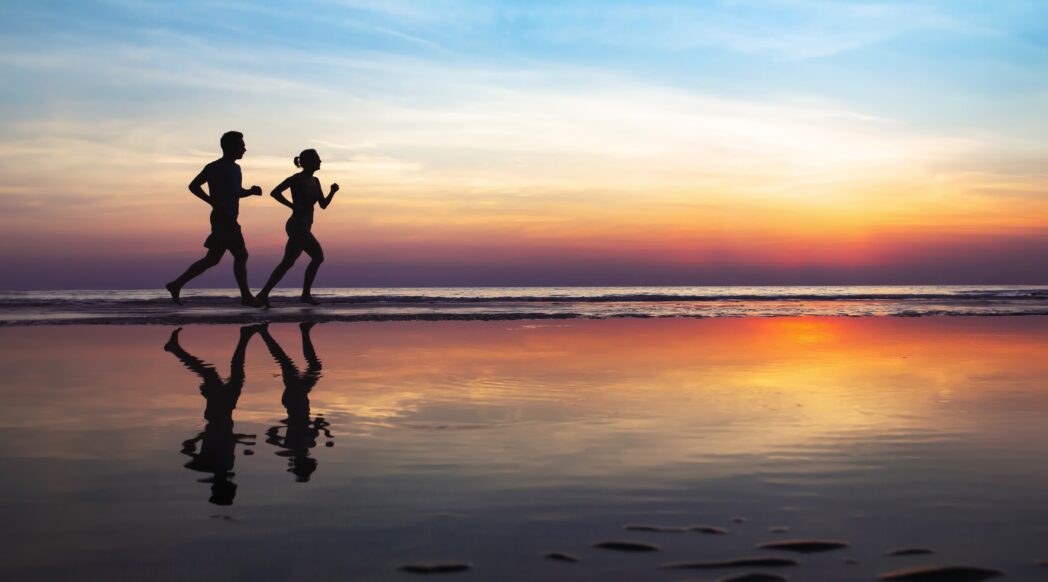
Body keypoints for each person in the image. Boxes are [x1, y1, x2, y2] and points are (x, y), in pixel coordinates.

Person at [165, 325, 261, 505]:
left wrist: (195, 448)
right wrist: (242, 439)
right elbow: (223, 439)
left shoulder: (214, 466)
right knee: (231, 373)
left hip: (220, 413)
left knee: (218, 373)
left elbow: (213, 439)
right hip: (222, 414)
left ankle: (175, 349)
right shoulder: (220, 466)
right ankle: (244, 336)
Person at [165, 131, 264, 306]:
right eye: (241, 146)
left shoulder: (236, 168)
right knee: (241, 254)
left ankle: (176, 284)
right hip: (222, 219)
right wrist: (212, 202)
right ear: (230, 147)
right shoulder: (214, 167)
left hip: (229, 218)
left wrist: (250, 191)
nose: (245, 149)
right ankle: (246, 296)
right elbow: (193, 186)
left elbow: (236, 192)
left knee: (212, 259)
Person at [256, 149, 339, 307]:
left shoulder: (315, 181)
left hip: (305, 227)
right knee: (318, 257)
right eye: (317, 159)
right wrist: (293, 206)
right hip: (296, 226)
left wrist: (332, 192)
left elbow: (323, 205)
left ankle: (263, 294)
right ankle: (305, 295)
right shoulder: (296, 179)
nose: (320, 162)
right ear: (308, 162)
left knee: (287, 263)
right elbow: (275, 192)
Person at [258, 322, 333, 482]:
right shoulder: (309, 444)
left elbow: (270, 435)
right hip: (298, 400)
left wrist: (286, 423)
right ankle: (297, 331)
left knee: (289, 363)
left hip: (294, 400)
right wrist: (326, 431)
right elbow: (317, 422)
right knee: (298, 364)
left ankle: (267, 332)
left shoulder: (291, 447)